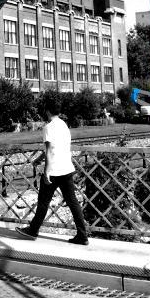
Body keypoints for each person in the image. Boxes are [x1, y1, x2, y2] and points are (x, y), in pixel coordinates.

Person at [16, 100, 89, 245]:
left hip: (54, 170)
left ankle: (33, 230)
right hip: (67, 168)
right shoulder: (64, 125)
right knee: (73, 202)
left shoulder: (48, 127)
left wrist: (46, 171)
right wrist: (39, 159)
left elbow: (49, 150)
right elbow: (57, 147)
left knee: (43, 202)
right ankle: (82, 235)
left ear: (48, 111)